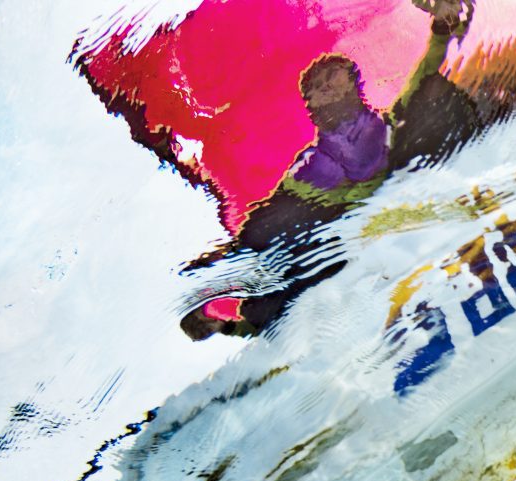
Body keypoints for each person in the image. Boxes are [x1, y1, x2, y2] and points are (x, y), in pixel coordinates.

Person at [181, 0, 481, 339]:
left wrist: (441, 26)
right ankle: (227, 326)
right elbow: (263, 225)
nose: (323, 85)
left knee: (434, 95)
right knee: (278, 251)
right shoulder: (310, 167)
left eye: (330, 76)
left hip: (391, 192)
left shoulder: (388, 125)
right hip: (330, 225)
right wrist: (219, 263)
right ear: (309, 106)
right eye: (315, 86)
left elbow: (425, 71)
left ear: (354, 82)